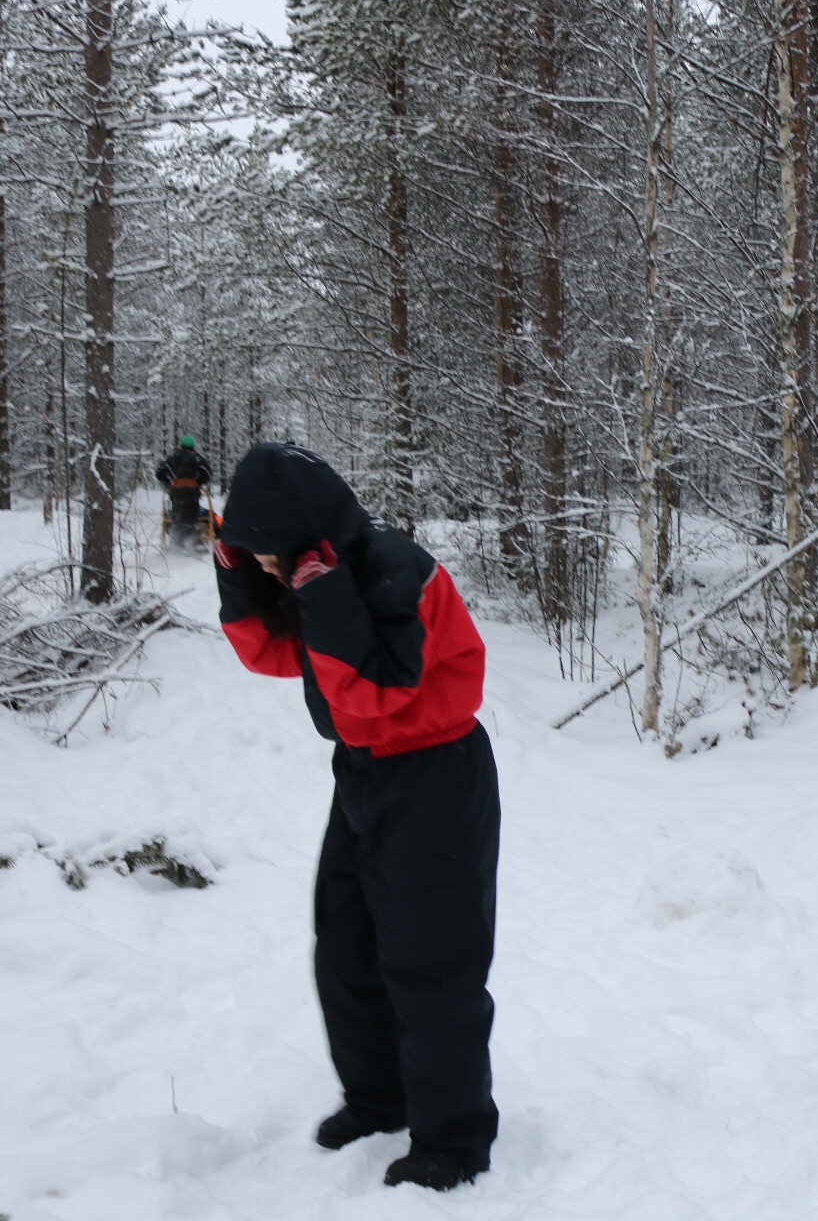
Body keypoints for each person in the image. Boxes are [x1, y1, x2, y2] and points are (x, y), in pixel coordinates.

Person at [213, 443, 501, 1191]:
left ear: (310, 540)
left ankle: (454, 1138)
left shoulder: (395, 571)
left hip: (434, 775)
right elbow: (279, 657)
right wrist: (241, 581)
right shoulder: (318, 572)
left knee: (432, 966)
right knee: (347, 945)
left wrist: (324, 595)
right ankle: (381, 1097)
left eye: (272, 557)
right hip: (364, 775)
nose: (270, 569)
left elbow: (375, 691)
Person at [155, 436, 212, 546]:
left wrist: (169, 483)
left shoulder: (172, 458)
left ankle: (177, 543)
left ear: (180, 446)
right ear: (193, 447)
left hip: (176, 492)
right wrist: (198, 482)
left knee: (178, 517)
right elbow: (207, 474)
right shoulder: (198, 458)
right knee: (192, 518)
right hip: (192, 492)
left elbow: (160, 473)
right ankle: (191, 543)